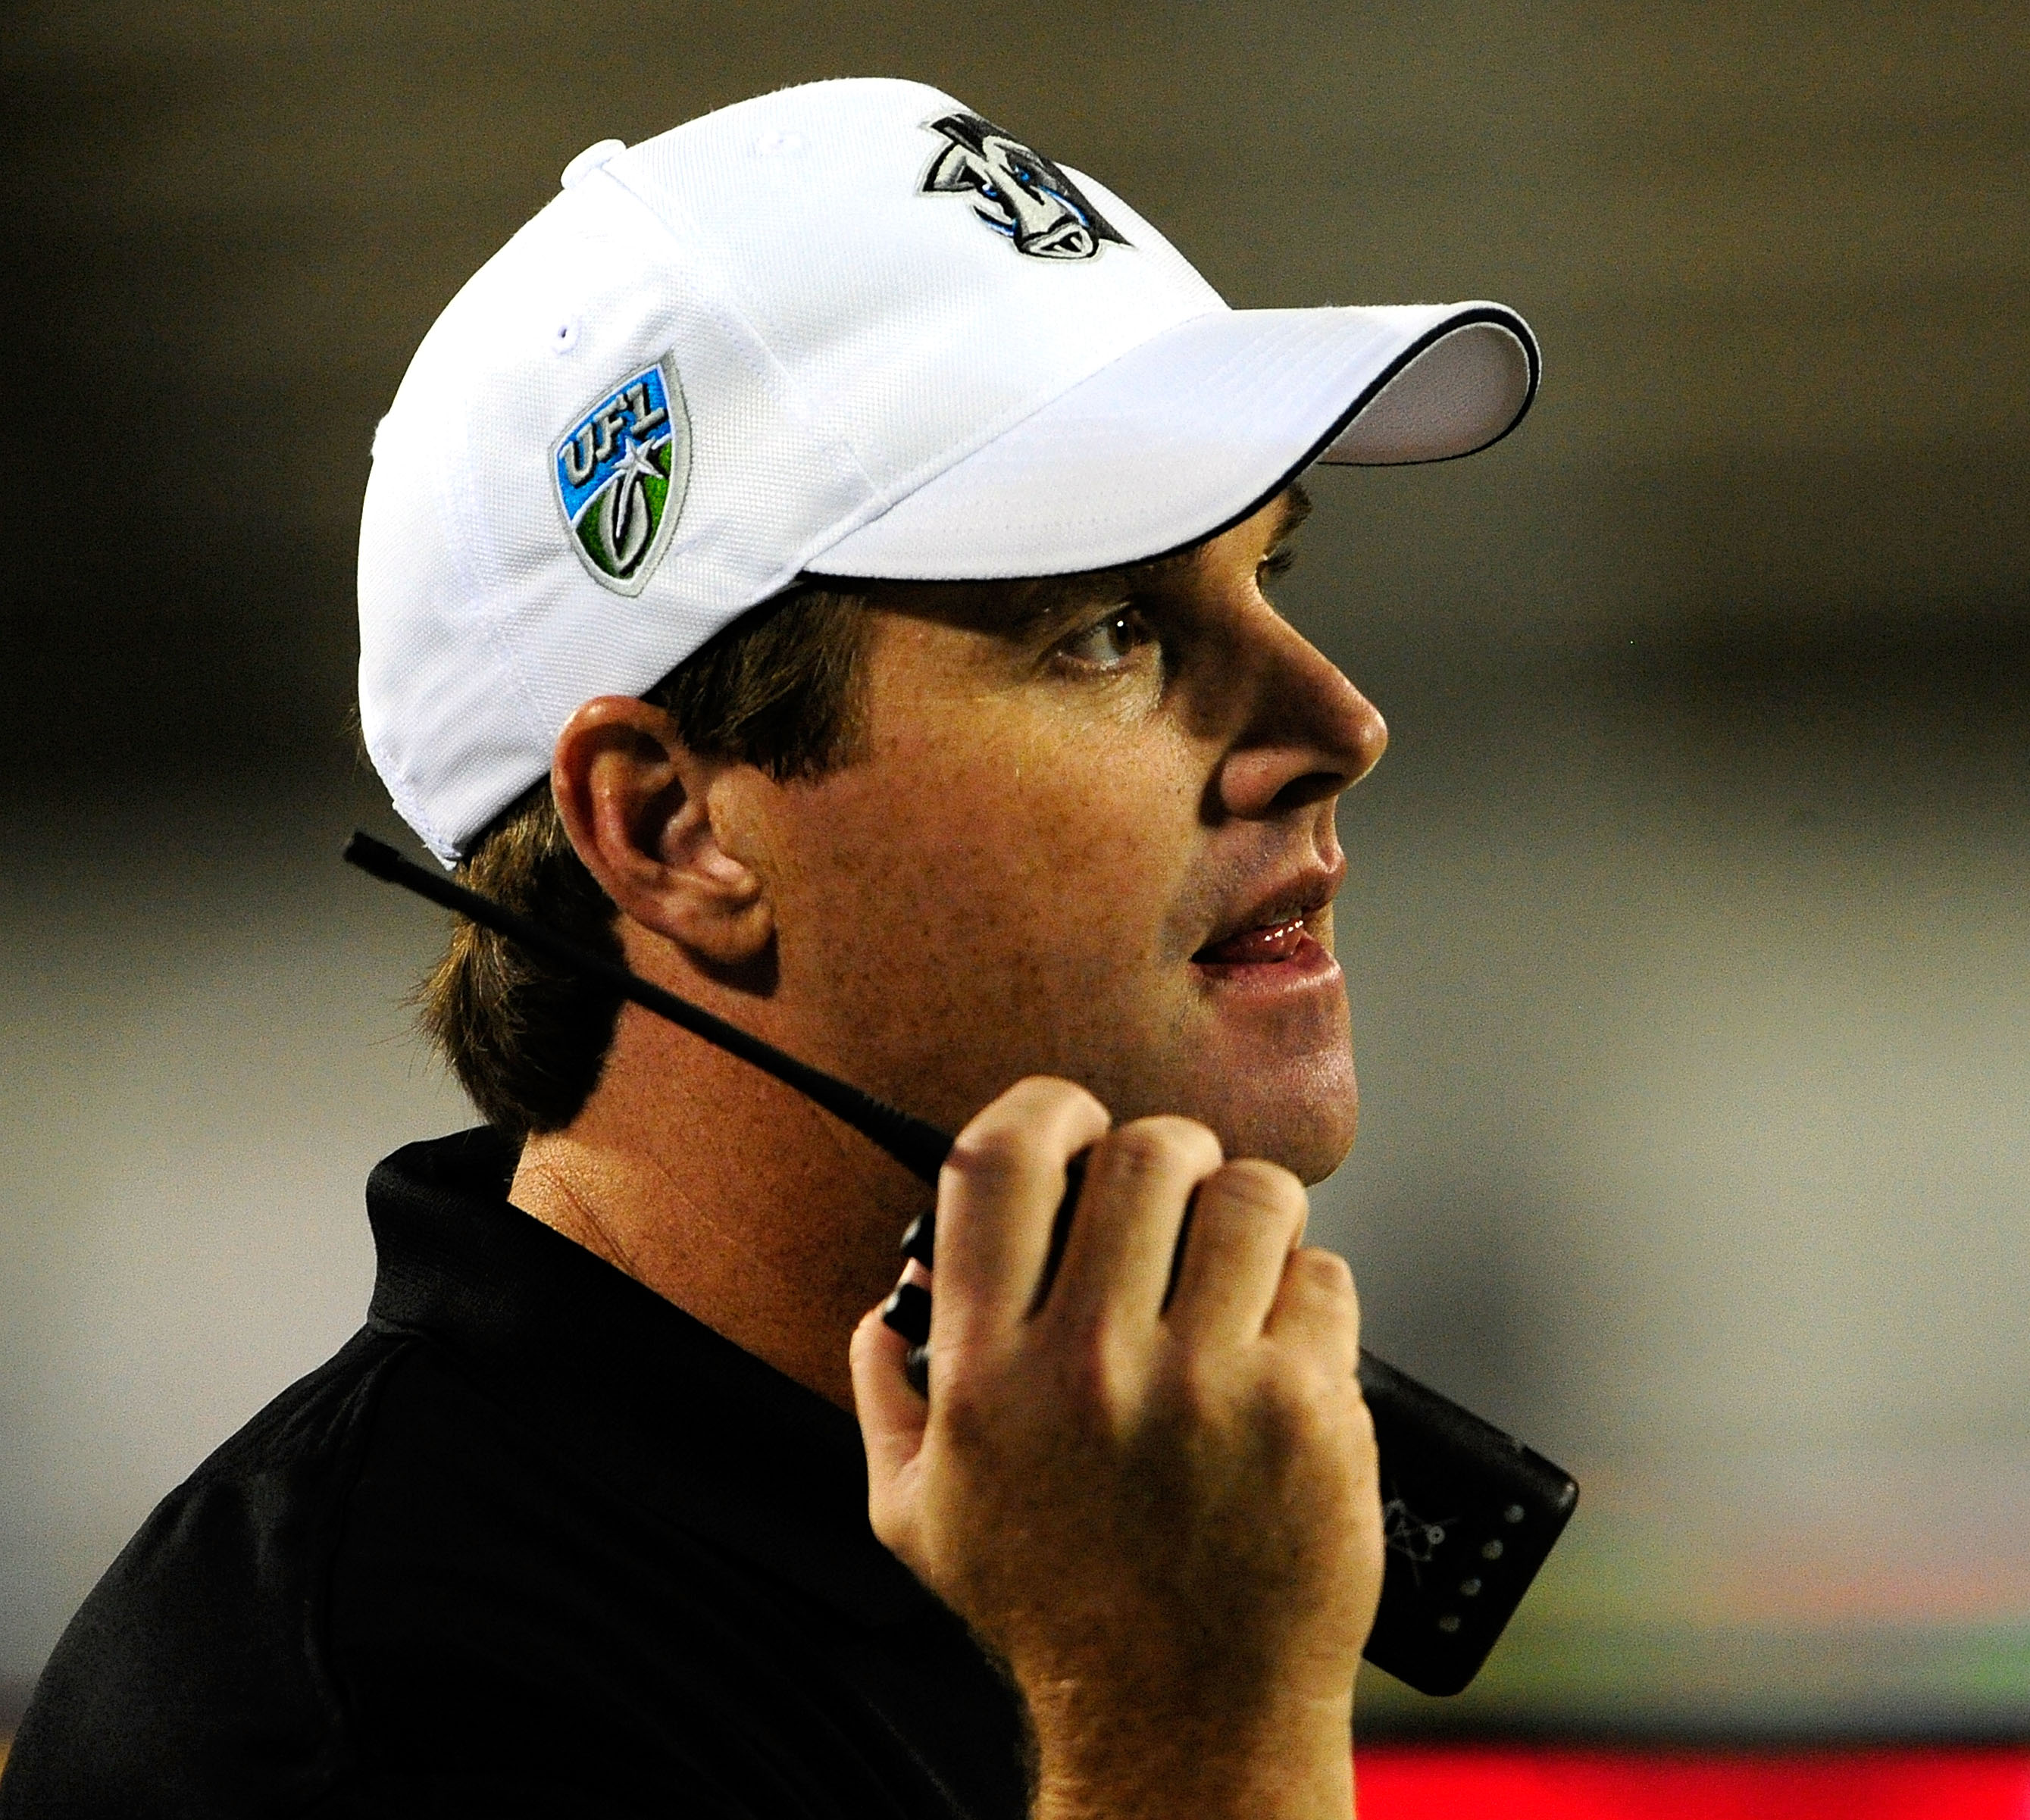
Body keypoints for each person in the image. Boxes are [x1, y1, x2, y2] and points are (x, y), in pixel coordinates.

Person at [0, 78, 1536, 1818]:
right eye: (1108, 630)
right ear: (672, 828)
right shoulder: (372, 1720)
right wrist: (1192, 1742)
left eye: (1273, 579)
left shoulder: (1050, 1523)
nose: (1339, 721)